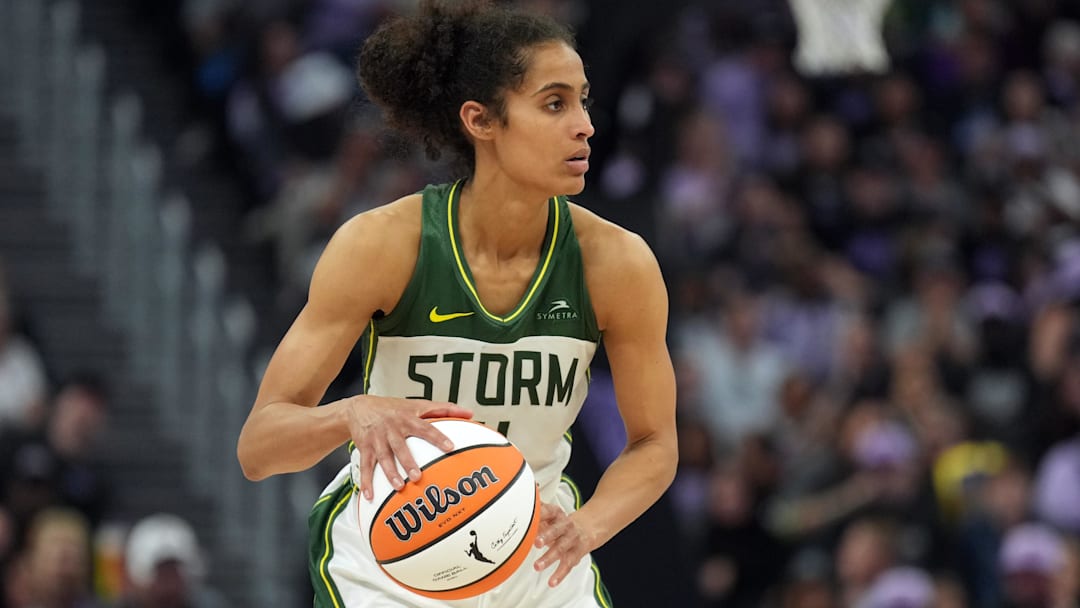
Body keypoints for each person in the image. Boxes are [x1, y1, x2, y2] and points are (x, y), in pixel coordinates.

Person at [235, 1, 679, 607]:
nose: (584, 125)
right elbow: (259, 446)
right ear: (481, 120)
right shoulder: (384, 245)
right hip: (394, 546)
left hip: (539, 542)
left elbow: (655, 444)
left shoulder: (618, 264)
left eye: (583, 101)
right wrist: (351, 414)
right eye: (555, 103)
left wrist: (589, 525)